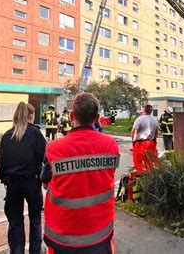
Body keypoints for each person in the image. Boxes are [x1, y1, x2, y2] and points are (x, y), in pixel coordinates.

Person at [41, 92, 120, 253]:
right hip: (100, 234)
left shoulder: (53, 149)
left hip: (63, 236)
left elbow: (45, 183)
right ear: (97, 118)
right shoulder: (111, 145)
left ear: (71, 116)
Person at [0, 102, 46, 254]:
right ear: (31, 116)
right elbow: (44, 157)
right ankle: (35, 251)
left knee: (15, 221)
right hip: (31, 181)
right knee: (35, 219)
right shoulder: (36, 133)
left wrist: (6, 179)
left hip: (12, 184)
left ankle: (16, 250)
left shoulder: (7, 135)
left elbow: (2, 165)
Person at [131, 104, 159, 173]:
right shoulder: (155, 120)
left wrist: (133, 141)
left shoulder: (140, 119)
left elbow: (133, 131)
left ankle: (139, 176)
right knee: (149, 162)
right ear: (151, 111)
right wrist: (154, 140)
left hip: (140, 143)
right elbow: (156, 132)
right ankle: (149, 177)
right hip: (151, 143)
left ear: (144, 110)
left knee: (138, 162)